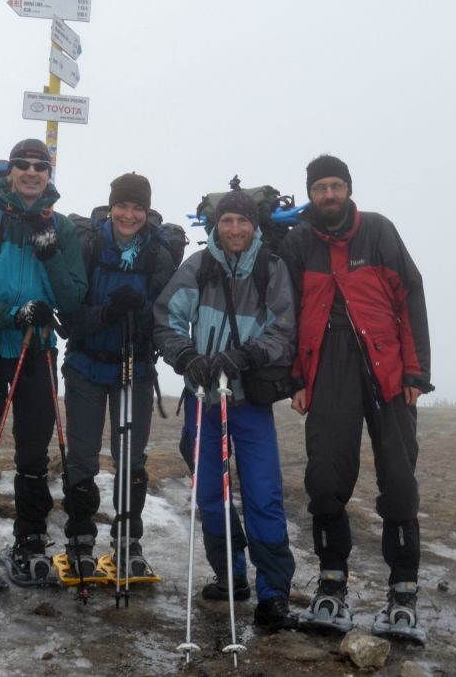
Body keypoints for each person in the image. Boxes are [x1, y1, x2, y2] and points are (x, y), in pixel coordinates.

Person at [277, 154, 433, 639]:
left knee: (399, 477)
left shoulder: (379, 231)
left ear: (348, 189)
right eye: (320, 187)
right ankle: (331, 583)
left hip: (386, 365)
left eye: (336, 186)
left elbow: (411, 295)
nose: (329, 195)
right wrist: (296, 379)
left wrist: (417, 370)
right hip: (327, 367)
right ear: (310, 193)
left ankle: (403, 592)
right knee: (324, 475)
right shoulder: (299, 242)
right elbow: (288, 312)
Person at [154, 189, 300, 632]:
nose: (234, 229)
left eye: (242, 222)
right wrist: (186, 357)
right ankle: (231, 575)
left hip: (248, 401)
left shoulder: (271, 269)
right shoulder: (197, 268)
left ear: (254, 226)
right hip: (204, 399)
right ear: (215, 226)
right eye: (226, 222)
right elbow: (167, 319)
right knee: (210, 496)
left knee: (263, 495)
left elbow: (284, 327)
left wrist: (247, 355)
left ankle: (274, 592)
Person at [0, 138, 88, 588]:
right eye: (23, 165)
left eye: (40, 167)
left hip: (39, 351)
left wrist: (49, 257)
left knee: (33, 453)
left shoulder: (62, 228)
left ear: (50, 175)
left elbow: (73, 298)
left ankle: (30, 539)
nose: (31, 172)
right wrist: (12, 314)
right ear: (10, 172)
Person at [59, 173, 176, 579]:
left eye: (137, 207)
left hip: (135, 369)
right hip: (86, 366)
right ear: (111, 207)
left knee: (131, 460)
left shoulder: (160, 253)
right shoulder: (89, 244)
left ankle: (129, 541)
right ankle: (80, 538)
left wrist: (139, 312)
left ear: (147, 211)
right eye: (122, 206)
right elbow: (70, 311)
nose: (129, 215)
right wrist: (106, 314)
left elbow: (166, 315)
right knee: (83, 458)